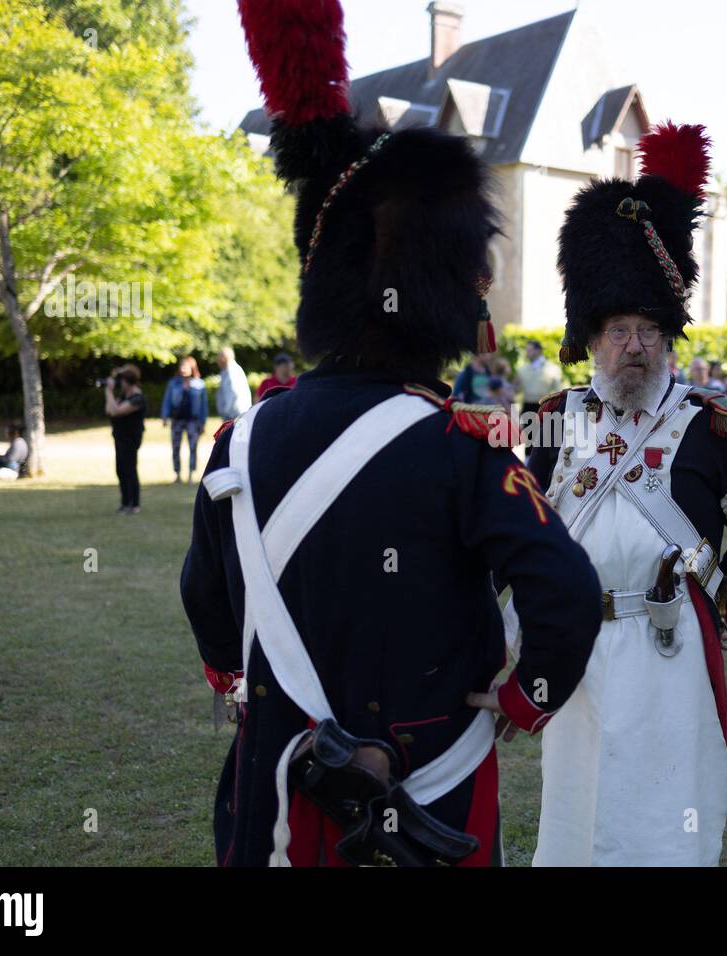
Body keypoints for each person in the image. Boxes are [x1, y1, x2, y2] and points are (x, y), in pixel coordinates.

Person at [182, 0, 601, 869]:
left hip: (277, 784)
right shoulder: (459, 444)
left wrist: (238, 677)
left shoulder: (241, 441)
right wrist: (527, 698)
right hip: (433, 787)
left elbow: (205, 600)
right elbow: (562, 586)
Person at [522, 121, 727, 866]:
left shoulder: (711, 428)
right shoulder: (550, 423)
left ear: (669, 337)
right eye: (616, 329)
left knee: (669, 817)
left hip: (672, 648)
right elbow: (518, 531)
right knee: (577, 813)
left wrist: (716, 607)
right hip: (578, 649)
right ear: (590, 338)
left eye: (647, 330)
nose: (633, 345)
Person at [105, 364, 146, 514]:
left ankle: (134, 504)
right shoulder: (123, 396)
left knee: (130, 470)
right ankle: (125, 503)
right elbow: (109, 410)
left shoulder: (137, 398)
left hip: (131, 438)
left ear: (128, 381)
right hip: (119, 436)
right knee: (121, 470)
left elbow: (116, 411)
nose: (118, 384)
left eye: (120, 380)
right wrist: (110, 395)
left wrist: (109, 392)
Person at [162, 356, 208, 485]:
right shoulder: (173, 383)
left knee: (193, 447)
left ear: (192, 368)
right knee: (176, 447)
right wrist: (165, 416)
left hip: (193, 421)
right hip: (177, 419)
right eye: (181, 366)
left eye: (186, 366)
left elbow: (204, 405)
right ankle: (177, 474)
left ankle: (191, 475)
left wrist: (203, 422)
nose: (183, 369)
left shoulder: (199, 384)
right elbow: (167, 400)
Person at [514, 340, 562, 418]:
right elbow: (516, 391)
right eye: (526, 350)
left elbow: (558, 390)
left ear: (538, 351)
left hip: (545, 407)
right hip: (527, 407)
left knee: (545, 430)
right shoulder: (521, 370)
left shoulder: (552, 368)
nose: (527, 353)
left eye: (529, 350)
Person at [215, 347, 252, 422]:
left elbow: (233, 391)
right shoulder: (229, 369)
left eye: (218, 357)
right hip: (235, 413)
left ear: (224, 357)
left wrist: (225, 410)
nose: (217, 360)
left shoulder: (231, 370)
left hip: (234, 414)